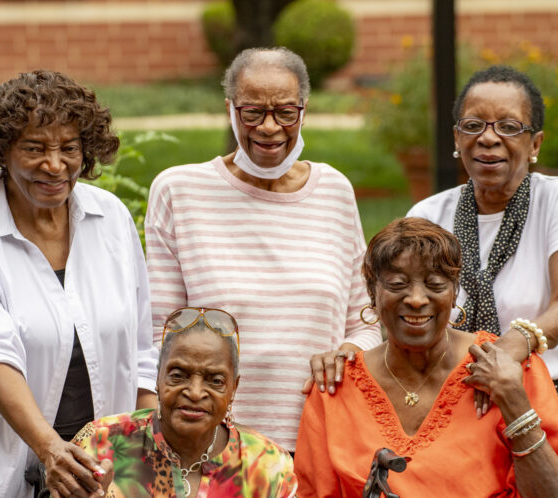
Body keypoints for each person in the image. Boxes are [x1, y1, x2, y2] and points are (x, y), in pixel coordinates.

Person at [0, 70, 158, 498]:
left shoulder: (111, 219)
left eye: (69, 148)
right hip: (6, 471)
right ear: (2, 152)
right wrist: (51, 449)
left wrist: (147, 453)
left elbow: (142, 349)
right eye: (35, 148)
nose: (55, 165)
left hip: (107, 473)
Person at [144, 47, 381, 451]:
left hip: (319, 440)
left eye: (285, 112)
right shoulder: (180, 191)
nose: (270, 127)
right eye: (252, 112)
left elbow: (367, 321)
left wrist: (346, 352)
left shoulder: (334, 191)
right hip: (215, 446)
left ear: (304, 110)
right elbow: (157, 334)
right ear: (230, 109)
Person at [294, 218, 558, 497]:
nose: (416, 299)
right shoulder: (334, 386)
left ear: (454, 293)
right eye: (397, 284)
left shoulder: (510, 369)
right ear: (372, 293)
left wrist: (514, 402)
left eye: (435, 285)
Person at [406, 65, 558, 449]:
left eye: (509, 127)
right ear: (457, 138)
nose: (489, 138)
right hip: (449, 403)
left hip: (545, 397)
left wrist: (506, 353)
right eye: (474, 125)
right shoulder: (427, 216)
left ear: (535, 144)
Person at [74, 307, 297, 497]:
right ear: (158, 377)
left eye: (215, 380)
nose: (195, 392)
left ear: (233, 388)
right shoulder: (98, 444)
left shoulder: (269, 466)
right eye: (178, 375)